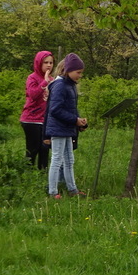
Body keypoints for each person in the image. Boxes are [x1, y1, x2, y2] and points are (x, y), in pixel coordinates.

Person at [45, 53, 88, 198]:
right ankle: (52, 191)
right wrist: (74, 120)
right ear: (68, 70)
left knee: (69, 160)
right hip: (58, 129)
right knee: (57, 160)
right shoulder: (59, 86)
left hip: (67, 129)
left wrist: (79, 122)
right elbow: (55, 110)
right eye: (78, 72)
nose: (80, 75)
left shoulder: (70, 86)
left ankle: (72, 189)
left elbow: (71, 109)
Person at [20, 50, 54, 169]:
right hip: (31, 119)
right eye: (45, 62)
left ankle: (42, 175)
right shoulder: (32, 78)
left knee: (45, 149)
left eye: (51, 62)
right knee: (33, 149)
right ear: (39, 63)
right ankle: (27, 175)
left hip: (45, 120)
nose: (49, 65)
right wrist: (44, 82)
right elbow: (33, 95)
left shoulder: (52, 79)